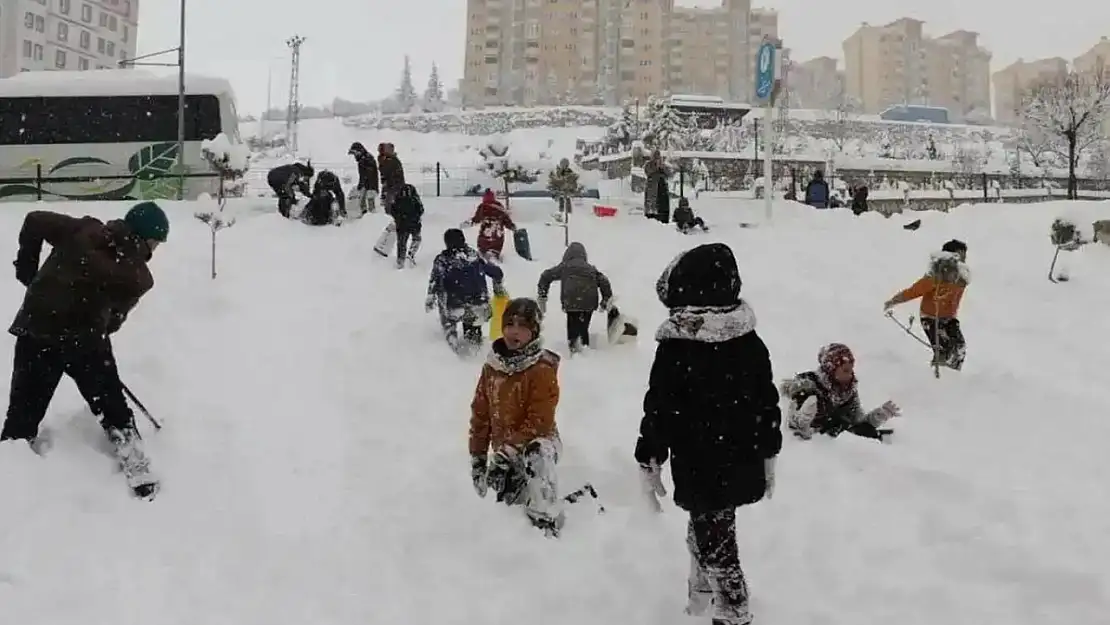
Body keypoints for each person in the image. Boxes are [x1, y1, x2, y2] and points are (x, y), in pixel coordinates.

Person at [635, 243, 781, 625]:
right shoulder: (749, 343)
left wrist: (649, 453)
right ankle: (702, 595)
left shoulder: (677, 348)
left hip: (699, 460)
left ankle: (733, 610)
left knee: (716, 540)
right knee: (713, 525)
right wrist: (768, 449)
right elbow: (767, 402)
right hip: (741, 455)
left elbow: (660, 406)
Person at [3, 202, 169, 498]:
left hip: (36, 330)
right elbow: (114, 320)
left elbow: (34, 220)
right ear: (146, 239)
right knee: (112, 407)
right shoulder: (139, 277)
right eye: (156, 242)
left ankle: (11, 469)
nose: (155, 249)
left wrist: (28, 268)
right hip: (84, 343)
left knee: (22, 416)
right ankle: (136, 464)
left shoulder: (81, 229)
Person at [469, 297, 565, 537]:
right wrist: (478, 458)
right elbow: (481, 415)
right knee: (511, 510)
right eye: (509, 324)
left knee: (537, 454)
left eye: (522, 326)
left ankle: (548, 518)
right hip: (504, 453)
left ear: (533, 332)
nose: (514, 331)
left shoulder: (541, 369)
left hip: (540, 443)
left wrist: (507, 453)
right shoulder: (492, 368)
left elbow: (540, 420)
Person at [781, 343, 900, 443]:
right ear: (831, 368)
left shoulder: (848, 391)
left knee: (868, 432)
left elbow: (856, 423)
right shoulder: (808, 385)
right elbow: (786, 415)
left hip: (835, 443)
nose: (850, 374)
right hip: (812, 447)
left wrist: (877, 417)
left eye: (851, 369)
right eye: (845, 370)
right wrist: (801, 424)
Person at [884, 239, 970, 370]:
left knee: (959, 347)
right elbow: (913, 291)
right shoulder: (935, 277)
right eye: (959, 256)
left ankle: (953, 376)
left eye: (964, 257)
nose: (962, 261)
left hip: (949, 318)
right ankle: (937, 377)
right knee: (943, 350)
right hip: (930, 318)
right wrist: (893, 301)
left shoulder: (962, 277)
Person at [426, 228, 506, 354]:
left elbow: (435, 281)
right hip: (479, 304)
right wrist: (498, 287)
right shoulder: (474, 256)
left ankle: (451, 337)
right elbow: (497, 272)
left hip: (455, 305)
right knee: (474, 324)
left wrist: (430, 297)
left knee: (444, 303)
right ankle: (474, 346)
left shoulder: (442, 259)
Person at [536, 242, 613, 353]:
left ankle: (575, 349)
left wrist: (542, 294)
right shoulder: (590, 269)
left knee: (573, 326)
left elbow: (546, 276)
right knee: (583, 326)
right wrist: (606, 299)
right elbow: (604, 281)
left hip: (571, 301)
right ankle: (584, 347)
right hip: (589, 301)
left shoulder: (565, 266)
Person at [467, 189, 516, 261]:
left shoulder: (482, 206)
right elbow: (506, 219)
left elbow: (477, 219)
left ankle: (484, 259)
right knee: (495, 249)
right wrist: (512, 226)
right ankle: (494, 257)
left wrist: (469, 222)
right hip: (497, 233)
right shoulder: (499, 206)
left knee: (483, 250)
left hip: (485, 233)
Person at [390, 183, 424, 268]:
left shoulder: (398, 199)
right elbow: (421, 209)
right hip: (414, 223)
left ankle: (400, 260)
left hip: (401, 224)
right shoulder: (414, 199)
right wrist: (416, 217)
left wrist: (398, 218)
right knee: (417, 239)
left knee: (401, 243)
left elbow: (392, 210)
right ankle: (411, 254)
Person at [348, 142, 379, 214]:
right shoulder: (363, 159)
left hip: (370, 185)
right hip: (366, 184)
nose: (354, 155)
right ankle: (365, 216)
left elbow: (368, 175)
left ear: (359, 151)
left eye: (355, 153)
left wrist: (366, 186)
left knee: (369, 201)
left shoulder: (366, 159)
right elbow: (363, 175)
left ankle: (370, 217)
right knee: (363, 201)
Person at [377, 143, 405, 213]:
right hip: (391, 185)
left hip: (394, 186)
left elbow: (389, 173)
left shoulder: (391, 161)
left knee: (390, 204)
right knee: (389, 203)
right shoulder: (387, 160)